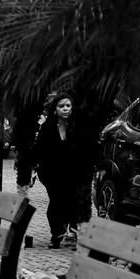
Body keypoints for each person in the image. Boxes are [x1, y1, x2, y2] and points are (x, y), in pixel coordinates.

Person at [32, 92, 92, 249]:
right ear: (55, 109)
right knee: (56, 202)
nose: (65, 109)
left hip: (73, 172)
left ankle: (72, 234)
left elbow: (84, 150)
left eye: (68, 106)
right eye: (61, 106)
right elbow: (39, 151)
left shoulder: (77, 127)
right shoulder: (47, 128)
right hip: (52, 173)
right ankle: (56, 235)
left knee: (73, 202)